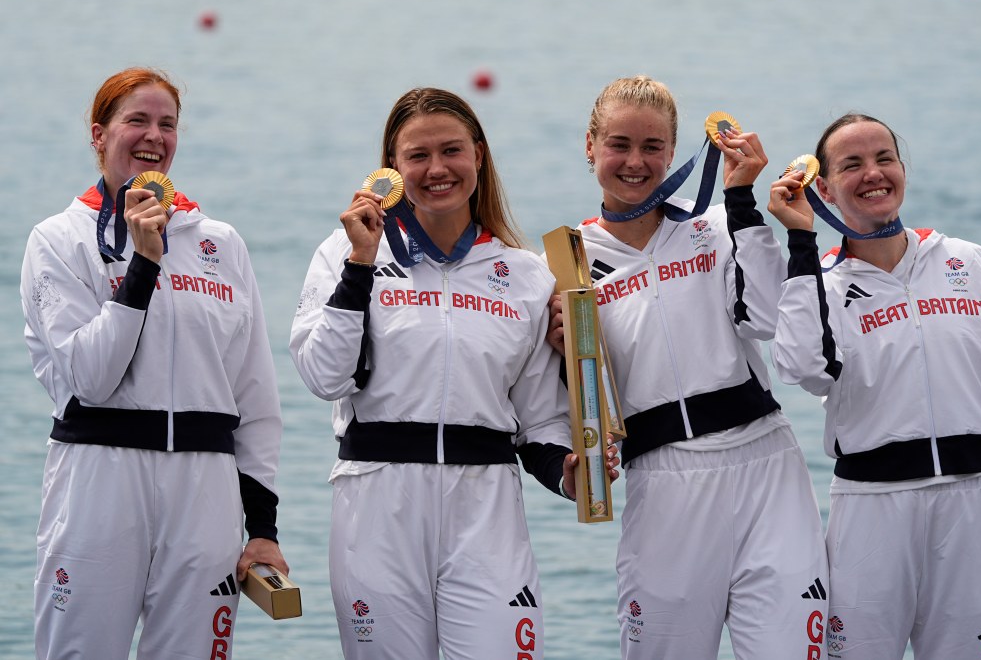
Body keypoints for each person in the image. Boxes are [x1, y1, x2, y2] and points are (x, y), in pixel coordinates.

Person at [290, 87, 617, 660]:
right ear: (391, 168)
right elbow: (323, 376)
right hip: (377, 505)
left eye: (452, 151)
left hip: (485, 511)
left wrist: (569, 472)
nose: (436, 169)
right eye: (417, 156)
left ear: (479, 156)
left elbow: (537, 418)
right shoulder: (347, 253)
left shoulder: (525, 275)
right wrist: (359, 267)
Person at [546, 75, 829, 660]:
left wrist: (743, 198)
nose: (635, 162)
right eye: (619, 144)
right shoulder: (565, 263)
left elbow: (768, 319)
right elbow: (557, 399)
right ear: (590, 145)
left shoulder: (720, 226)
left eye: (653, 147)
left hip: (766, 469)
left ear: (673, 152)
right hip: (664, 482)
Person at [21, 67, 288, 660]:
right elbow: (90, 377)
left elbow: (256, 400)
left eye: (167, 124)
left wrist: (263, 527)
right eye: (136, 121)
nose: (154, 137)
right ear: (99, 134)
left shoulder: (221, 243)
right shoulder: (57, 240)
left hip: (205, 491)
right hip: (99, 480)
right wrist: (142, 265)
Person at [769, 113, 981, 659]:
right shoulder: (823, 285)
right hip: (872, 510)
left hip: (973, 502)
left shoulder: (975, 265)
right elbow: (801, 364)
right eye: (852, 164)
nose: (873, 173)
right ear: (824, 188)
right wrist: (799, 242)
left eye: (884, 157)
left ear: (902, 168)